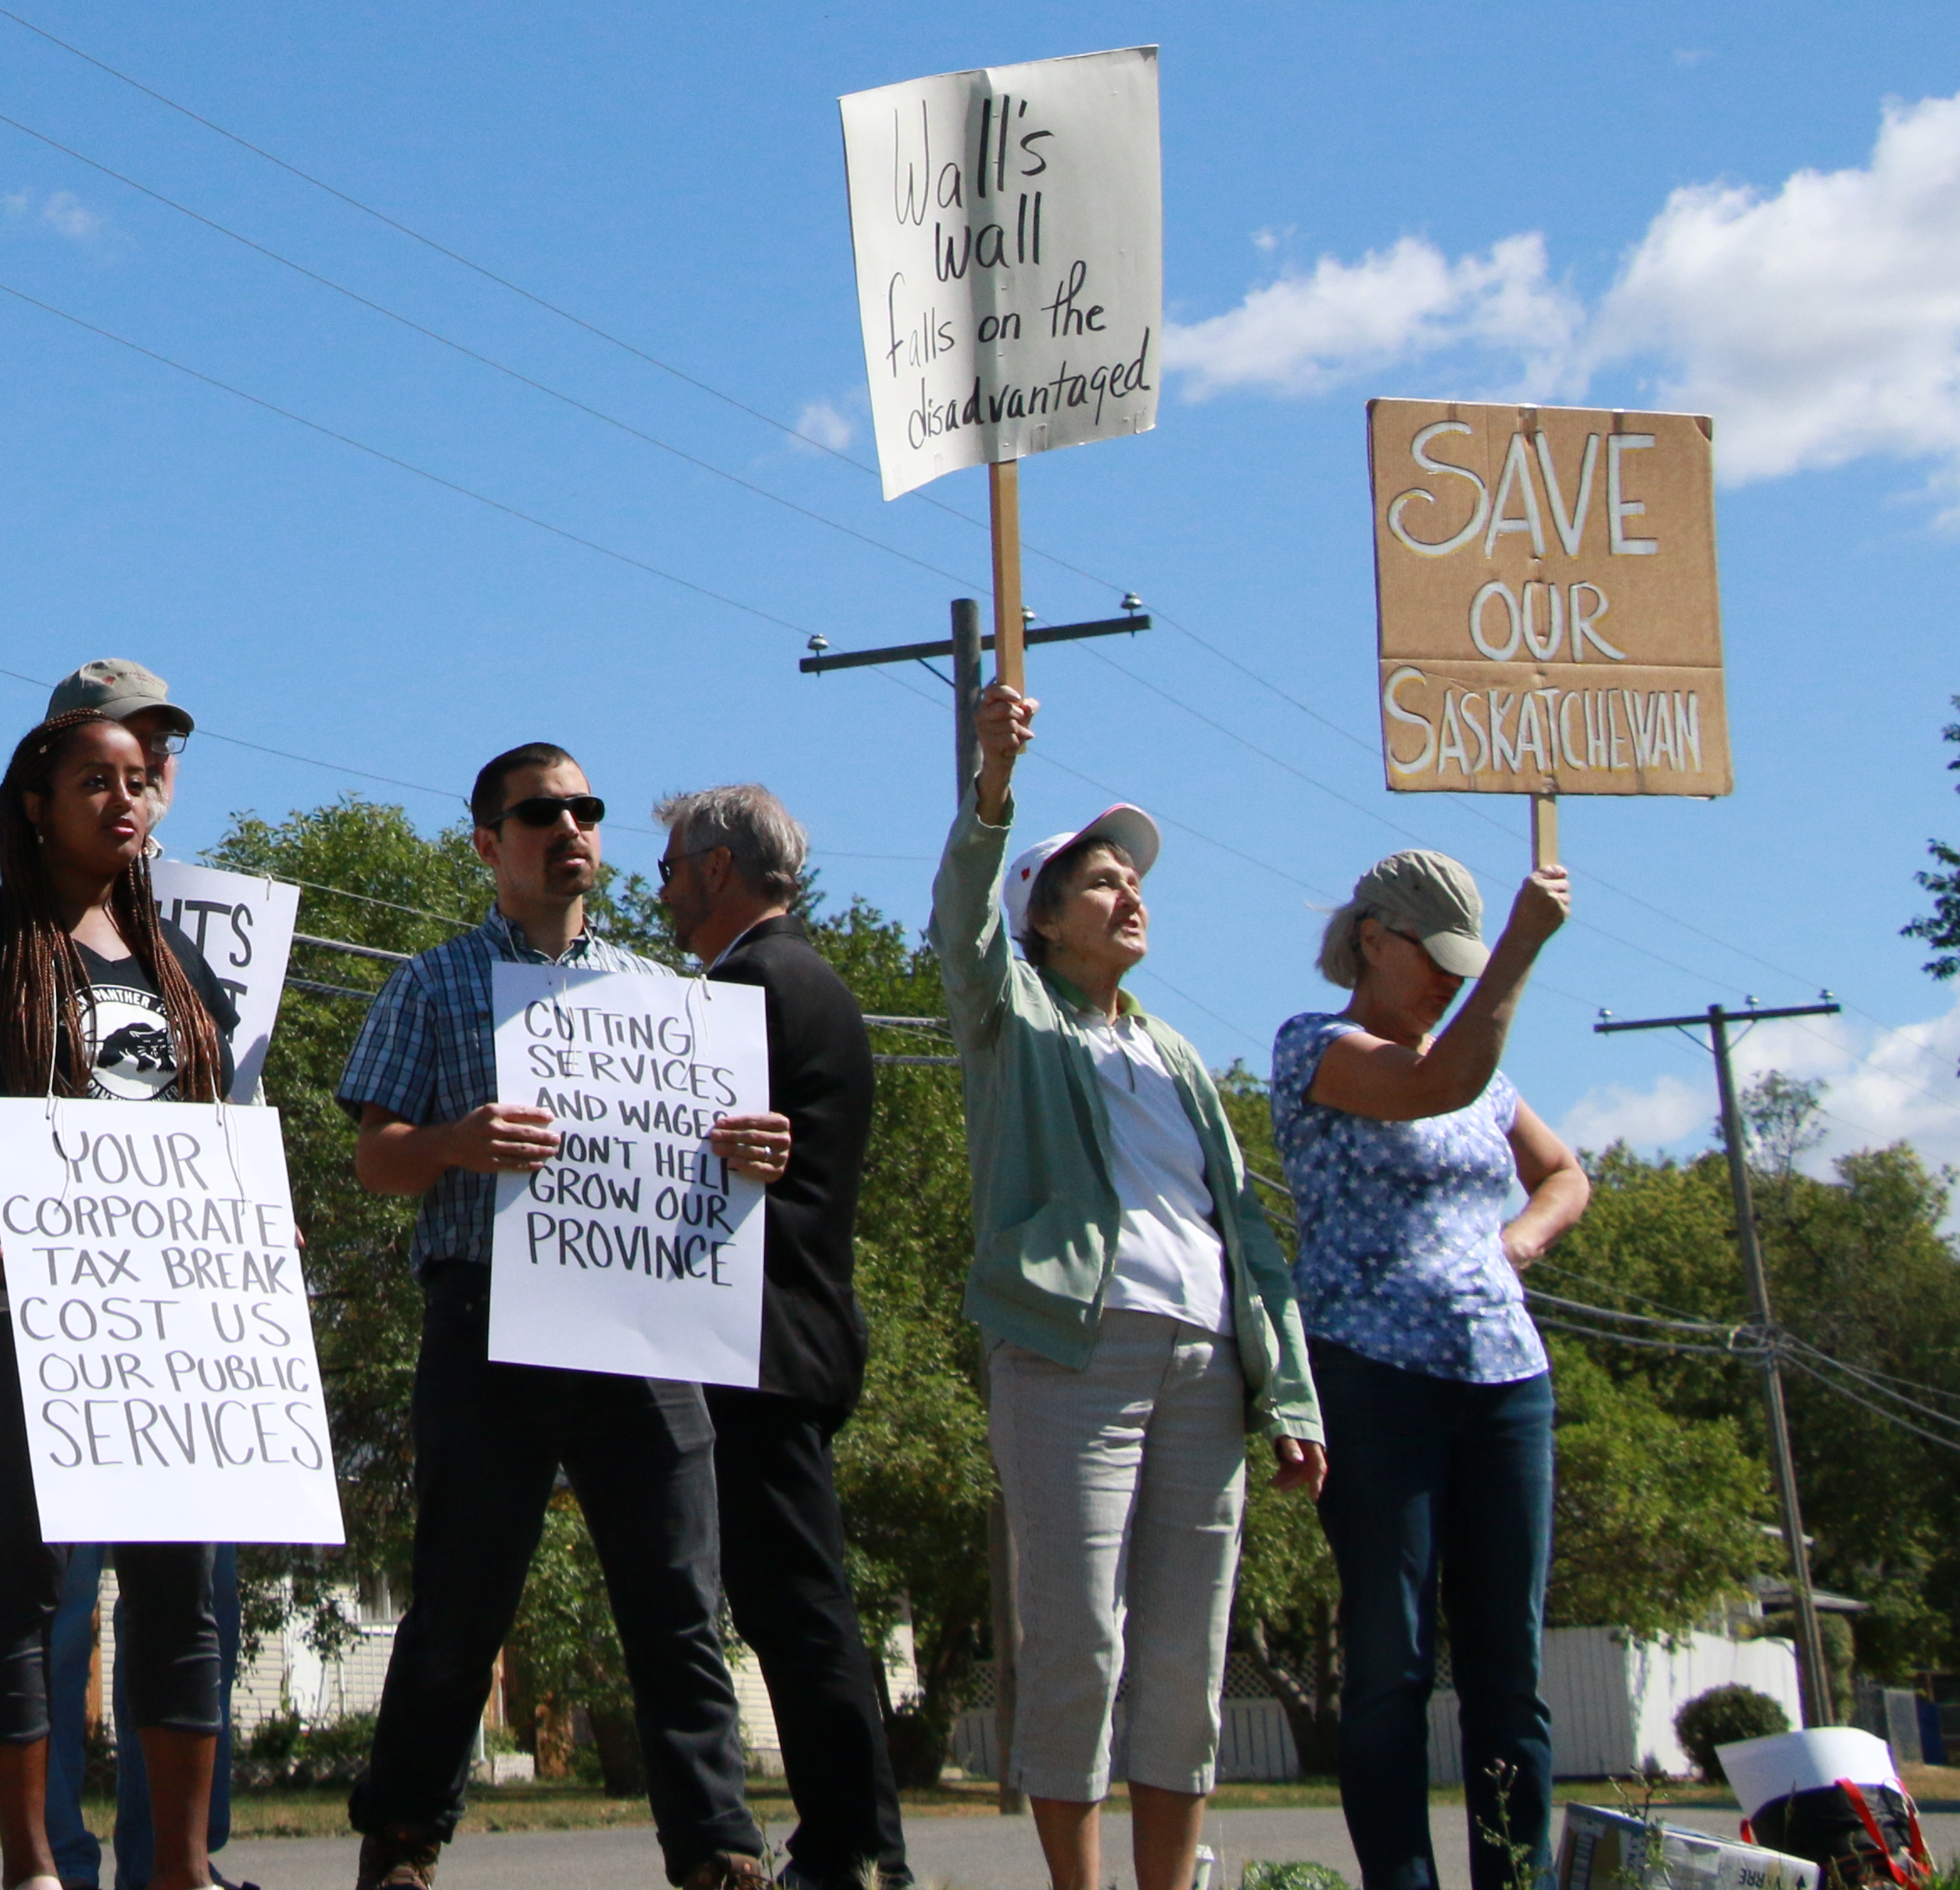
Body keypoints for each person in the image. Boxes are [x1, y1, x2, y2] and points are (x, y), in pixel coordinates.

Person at [344, 746, 763, 1890]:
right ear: (489, 842)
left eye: (586, 810)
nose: (570, 828)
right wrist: (451, 1143)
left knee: (678, 1593)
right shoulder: (433, 983)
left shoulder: (665, 1000)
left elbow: (711, 1161)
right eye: (541, 813)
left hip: (639, 1318)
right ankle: (403, 1840)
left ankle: (721, 1849)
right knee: (464, 1595)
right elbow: (375, 1159)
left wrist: (748, 1153)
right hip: (487, 1316)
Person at [944, 685, 1325, 1890]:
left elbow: (1248, 1229)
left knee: (1183, 1655)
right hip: (1073, 1351)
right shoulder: (1015, 1023)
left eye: (1134, 879)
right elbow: (961, 928)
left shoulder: (1172, 1058)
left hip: (1206, 1363)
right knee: (1079, 1643)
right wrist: (993, 788)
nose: (1130, 893)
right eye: (1101, 881)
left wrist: (1294, 1394)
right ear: (1045, 923)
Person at [0, 708, 248, 1890]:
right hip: (22, 1315)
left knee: (179, 1588)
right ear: (34, 804)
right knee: (26, 1581)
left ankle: (182, 1871)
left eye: (141, 783)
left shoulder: (179, 964)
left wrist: (257, 1222)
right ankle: (32, 1865)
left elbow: (215, 1128)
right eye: (96, 782)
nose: (126, 801)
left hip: (168, 1322)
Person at [1272, 847, 1593, 1890]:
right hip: (1373, 1377)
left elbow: (1564, 1172)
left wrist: (1520, 1243)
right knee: (1392, 1662)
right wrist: (1519, 949)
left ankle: (1515, 1875)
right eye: (1438, 956)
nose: (1454, 977)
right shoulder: (1316, 1046)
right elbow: (1431, 1084)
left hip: (1505, 1380)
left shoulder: (1487, 1072)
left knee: (1510, 1671)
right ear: (1374, 938)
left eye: (1469, 960)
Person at [652, 783, 910, 1890]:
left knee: (800, 1611)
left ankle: (855, 1848)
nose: (658, 889)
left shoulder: (751, 986)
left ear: (717, 869)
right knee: (787, 1602)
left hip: (763, 1341)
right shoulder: (800, 978)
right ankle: (853, 1842)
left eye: (668, 869)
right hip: (795, 1335)